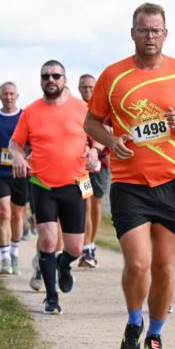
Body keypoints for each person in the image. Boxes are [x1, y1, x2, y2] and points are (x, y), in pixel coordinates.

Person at [85, 2, 175, 349]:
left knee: (164, 267)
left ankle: (155, 334)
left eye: (156, 30)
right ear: (133, 33)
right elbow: (91, 122)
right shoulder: (113, 75)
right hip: (130, 184)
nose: (150, 36)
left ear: (165, 34)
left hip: (173, 182)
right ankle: (133, 321)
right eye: (144, 30)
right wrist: (112, 141)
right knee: (138, 264)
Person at [10, 60, 95, 315]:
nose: (51, 80)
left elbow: (99, 137)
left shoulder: (82, 108)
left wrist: (94, 151)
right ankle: (51, 298)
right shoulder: (31, 111)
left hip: (76, 184)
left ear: (65, 80)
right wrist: (18, 158)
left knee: (75, 248)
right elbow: (15, 144)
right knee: (48, 239)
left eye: (56, 76)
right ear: (40, 80)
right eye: (45, 76)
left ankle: (63, 264)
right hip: (42, 184)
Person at [0, 81, 29, 275]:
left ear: (17, 96)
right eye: (5, 94)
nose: (8, 97)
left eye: (11, 94)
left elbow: (34, 141)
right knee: (3, 213)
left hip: (20, 172)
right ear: (0, 96)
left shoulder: (25, 116)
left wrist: (25, 157)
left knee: (17, 215)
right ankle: (5, 259)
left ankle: (15, 253)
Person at [76, 73, 110, 268]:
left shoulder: (105, 108)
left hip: (100, 164)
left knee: (96, 204)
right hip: (81, 166)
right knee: (86, 203)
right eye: (84, 87)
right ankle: (86, 248)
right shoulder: (76, 108)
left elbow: (112, 131)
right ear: (79, 88)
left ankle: (91, 244)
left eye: (91, 87)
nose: (87, 90)